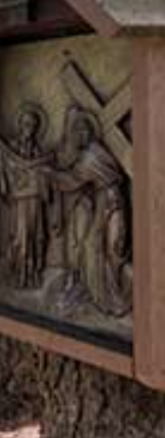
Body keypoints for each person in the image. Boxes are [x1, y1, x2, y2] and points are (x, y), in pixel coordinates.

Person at [51, 107, 131, 317]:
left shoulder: (92, 155)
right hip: (106, 200)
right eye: (78, 132)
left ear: (90, 133)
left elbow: (71, 180)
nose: (81, 135)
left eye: (85, 131)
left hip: (111, 201)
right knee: (95, 245)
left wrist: (50, 174)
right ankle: (102, 295)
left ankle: (110, 297)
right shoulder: (90, 154)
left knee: (113, 246)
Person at [0, 105, 55, 289]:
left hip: (35, 200)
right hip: (20, 201)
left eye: (34, 124)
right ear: (20, 124)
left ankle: (34, 273)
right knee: (22, 236)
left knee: (37, 236)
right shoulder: (11, 148)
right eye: (27, 123)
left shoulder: (37, 150)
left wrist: (40, 169)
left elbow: (41, 173)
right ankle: (19, 274)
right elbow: (13, 168)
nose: (30, 127)